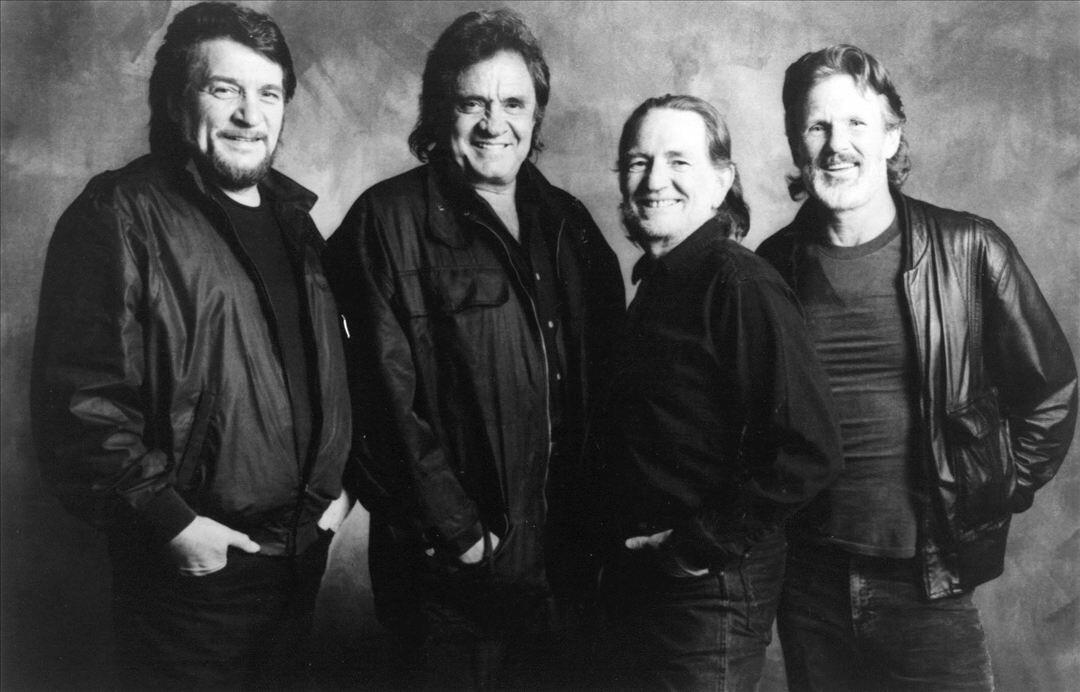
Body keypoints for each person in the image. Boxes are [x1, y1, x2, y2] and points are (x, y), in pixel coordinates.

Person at [30, 3, 353, 688]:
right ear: (179, 101)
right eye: (223, 88)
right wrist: (171, 524)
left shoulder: (298, 225)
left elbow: (331, 372)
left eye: (268, 93)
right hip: (193, 583)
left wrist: (340, 492)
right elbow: (79, 405)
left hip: (299, 562)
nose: (249, 114)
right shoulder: (120, 214)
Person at [757, 44, 1078, 691]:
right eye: (817, 126)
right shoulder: (771, 266)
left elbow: (1051, 392)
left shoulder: (969, 249)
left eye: (855, 122)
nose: (836, 144)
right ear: (795, 142)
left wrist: (991, 491)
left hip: (928, 587)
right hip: (808, 588)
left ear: (890, 136)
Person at [322, 8, 624, 689]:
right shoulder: (386, 224)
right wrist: (458, 535)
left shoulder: (568, 225)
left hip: (565, 576)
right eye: (472, 104)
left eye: (514, 103)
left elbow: (612, 391)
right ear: (440, 112)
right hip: (450, 583)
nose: (495, 123)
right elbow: (376, 404)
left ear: (536, 115)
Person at [589, 94, 843, 690]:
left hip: (707, 592)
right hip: (643, 587)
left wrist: (695, 548)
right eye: (638, 162)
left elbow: (809, 450)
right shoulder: (660, 284)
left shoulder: (739, 284)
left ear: (721, 181)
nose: (654, 181)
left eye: (679, 161)